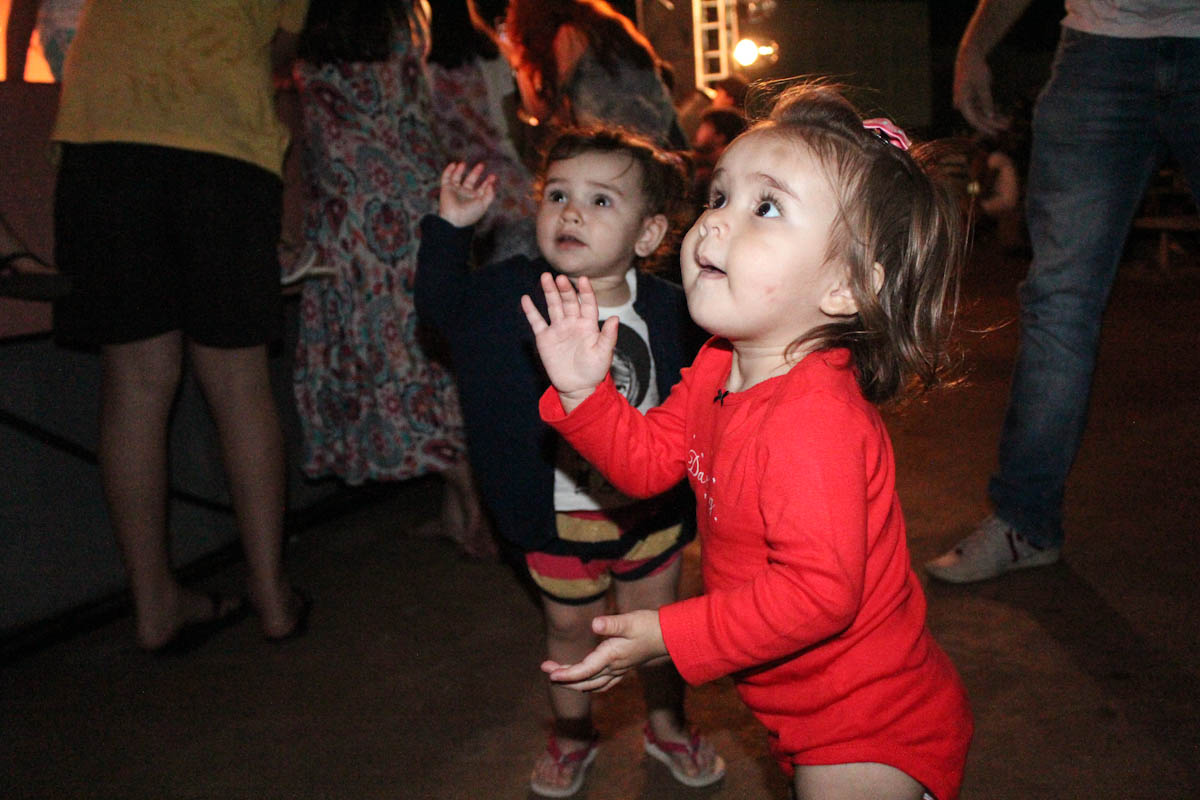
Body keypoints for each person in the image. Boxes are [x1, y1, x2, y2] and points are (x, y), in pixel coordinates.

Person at [523, 83, 974, 800]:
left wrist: (670, 633)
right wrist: (586, 394)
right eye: (719, 196)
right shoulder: (719, 364)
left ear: (846, 286)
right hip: (799, 702)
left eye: (765, 207)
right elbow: (648, 463)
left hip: (866, 718)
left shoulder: (814, 419)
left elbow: (818, 594)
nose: (715, 222)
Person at [414, 128, 722, 797]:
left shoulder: (675, 309)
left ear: (648, 234)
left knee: (657, 632)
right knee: (567, 630)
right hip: (556, 522)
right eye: (557, 195)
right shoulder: (510, 297)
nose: (572, 212)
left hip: (651, 516)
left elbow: (726, 371)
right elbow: (440, 310)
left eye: (600, 200)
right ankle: (573, 733)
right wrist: (451, 229)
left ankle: (667, 724)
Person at [50, 0, 311, 651]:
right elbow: (280, 47)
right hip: (219, 133)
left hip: (107, 126)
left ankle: (155, 604)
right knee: (239, 382)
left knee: (136, 380)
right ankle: (272, 594)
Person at [925, 0, 1200, 583]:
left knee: (1060, 301)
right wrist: (974, 45)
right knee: (1059, 300)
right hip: (1100, 48)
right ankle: (1025, 522)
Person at [290, 0, 490, 556]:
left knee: (398, 356)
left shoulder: (315, 29)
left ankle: (475, 508)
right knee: (428, 355)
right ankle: (460, 511)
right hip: (413, 198)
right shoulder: (404, 15)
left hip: (361, 210)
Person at [426, 0, 537, 265]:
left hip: (457, 185)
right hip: (510, 184)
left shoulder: (422, 64)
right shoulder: (492, 54)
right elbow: (513, 126)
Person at [498, 0, 683, 149]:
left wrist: (519, 63)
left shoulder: (568, 36)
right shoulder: (603, 24)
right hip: (663, 129)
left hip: (630, 138)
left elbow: (541, 110)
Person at [690, 106, 747, 204]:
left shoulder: (712, 176)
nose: (699, 132)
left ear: (720, 137)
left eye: (705, 127)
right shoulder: (702, 164)